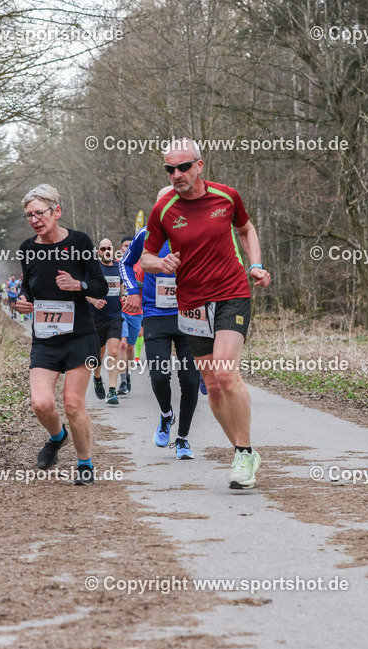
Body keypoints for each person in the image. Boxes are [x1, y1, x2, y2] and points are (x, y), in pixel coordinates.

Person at [140, 139, 272, 488]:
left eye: (183, 167)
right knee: (212, 386)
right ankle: (244, 451)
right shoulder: (163, 209)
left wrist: (255, 264)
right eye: (170, 169)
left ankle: (243, 453)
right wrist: (161, 262)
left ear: (200, 165)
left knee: (227, 374)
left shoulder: (227, 196)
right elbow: (146, 257)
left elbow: (246, 229)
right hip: (192, 304)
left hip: (231, 294)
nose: (177, 174)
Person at [13, 184, 107, 485]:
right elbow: (27, 285)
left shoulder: (79, 241)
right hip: (45, 337)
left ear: (57, 211)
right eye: (29, 215)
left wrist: (79, 286)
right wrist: (23, 301)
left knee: (72, 403)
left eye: (39, 213)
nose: (34, 220)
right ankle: (57, 437)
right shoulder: (28, 248)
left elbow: (101, 285)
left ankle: (84, 463)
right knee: (41, 404)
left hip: (80, 334)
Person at [120, 187, 200, 460]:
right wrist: (133, 290)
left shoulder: (196, 229)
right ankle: (167, 414)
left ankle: (183, 439)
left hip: (192, 314)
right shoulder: (145, 235)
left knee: (190, 380)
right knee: (159, 375)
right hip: (156, 315)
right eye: (163, 203)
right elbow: (125, 264)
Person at [86, 238, 123, 405]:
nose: (107, 251)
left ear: (113, 250)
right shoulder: (94, 269)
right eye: (103, 248)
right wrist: (94, 301)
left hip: (115, 316)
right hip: (96, 318)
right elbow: (82, 291)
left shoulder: (119, 267)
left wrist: (126, 296)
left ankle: (113, 390)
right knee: (98, 355)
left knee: (114, 352)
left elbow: (122, 289)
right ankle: (97, 377)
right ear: (99, 251)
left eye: (109, 248)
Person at [117, 235, 143, 395]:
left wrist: (134, 286)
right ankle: (122, 382)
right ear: (121, 248)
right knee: (122, 345)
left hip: (136, 311)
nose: (127, 248)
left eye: (130, 245)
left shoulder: (143, 264)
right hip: (118, 311)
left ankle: (128, 374)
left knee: (130, 347)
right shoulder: (117, 265)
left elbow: (149, 286)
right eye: (125, 246)